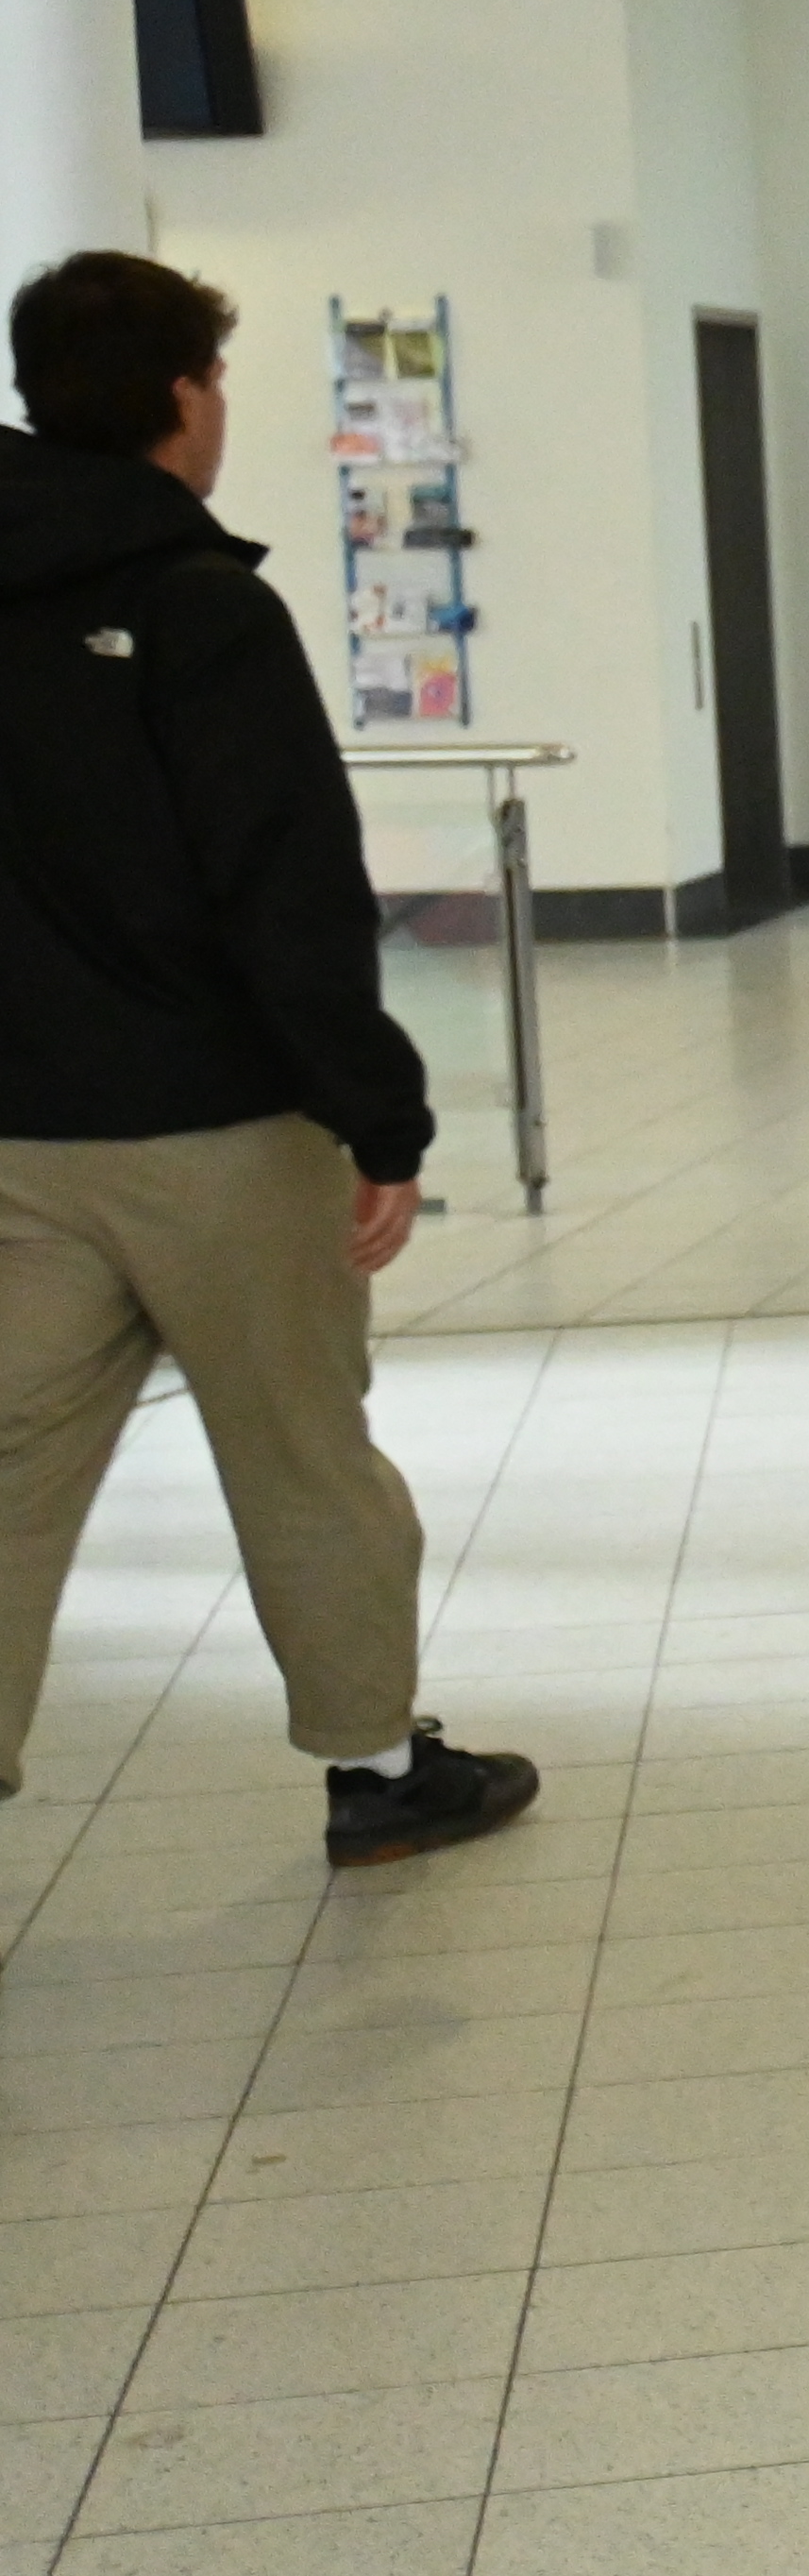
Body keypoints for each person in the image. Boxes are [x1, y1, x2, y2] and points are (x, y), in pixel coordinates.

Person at [0, 251, 535, 1865]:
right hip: (226, 1132)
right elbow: (282, 884)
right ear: (182, 399)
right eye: (217, 384)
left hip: (18, 1134)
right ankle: (379, 1773)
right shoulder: (199, 605)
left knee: (6, 1474)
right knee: (301, 1449)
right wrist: (380, 1119)